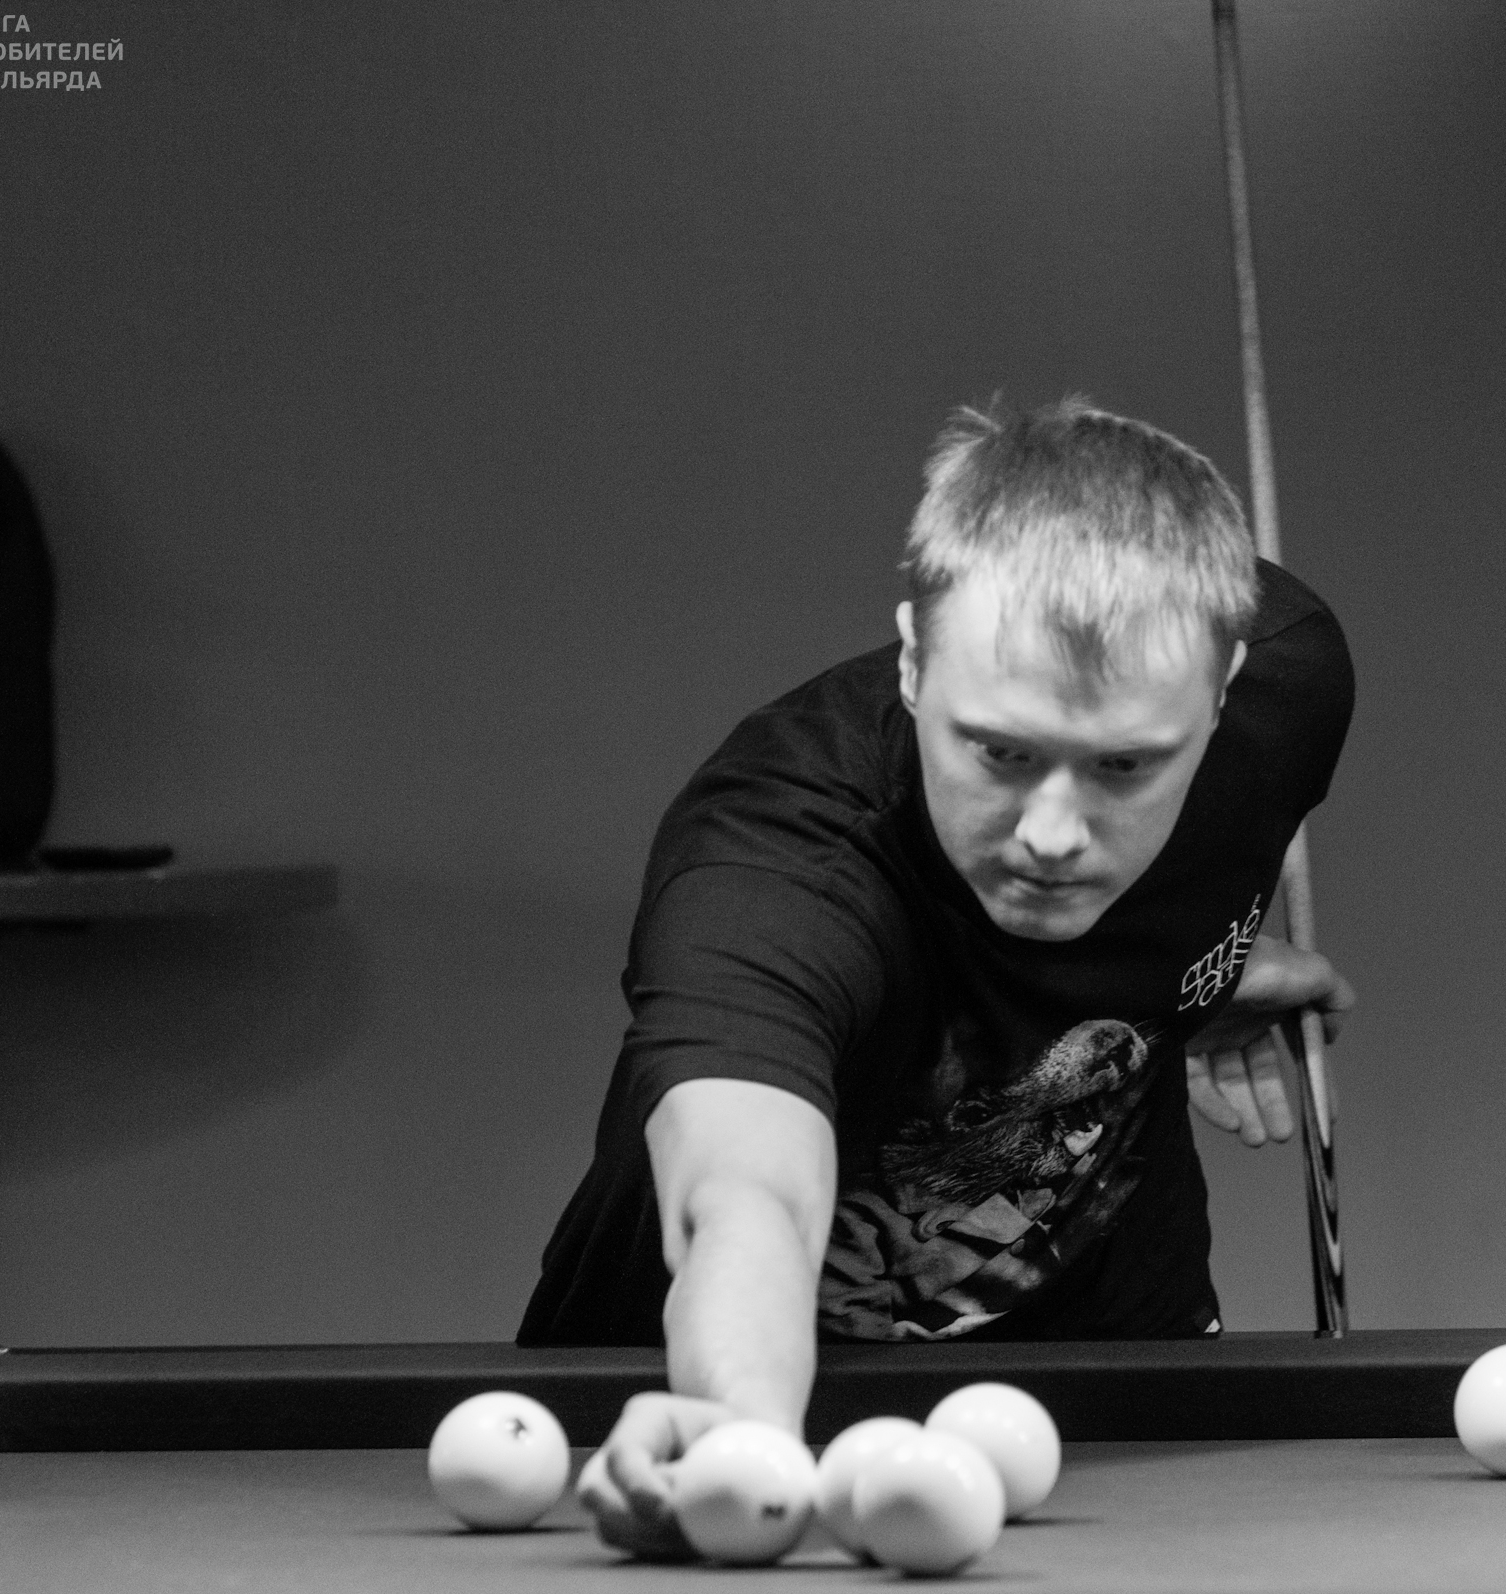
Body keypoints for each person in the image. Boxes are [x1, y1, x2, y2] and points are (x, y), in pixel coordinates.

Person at [519, 396, 1356, 1555]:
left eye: (1124, 767)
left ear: (1222, 695)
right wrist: (742, 1433)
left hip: (1108, 1391)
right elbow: (748, 1184)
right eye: (1000, 753)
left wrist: (1198, 973)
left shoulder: (1290, 685)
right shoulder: (778, 859)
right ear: (914, 660)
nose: (1053, 834)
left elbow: (1193, 871)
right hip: (709, 1392)